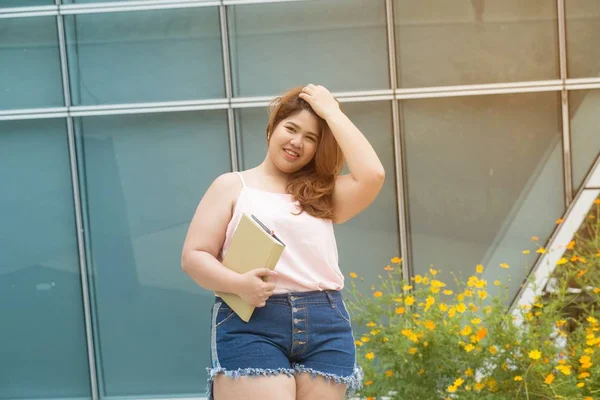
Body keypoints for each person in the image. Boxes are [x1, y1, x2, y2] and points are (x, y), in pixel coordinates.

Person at [181, 84, 385, 400]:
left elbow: (372, 174)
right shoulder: (232, 186)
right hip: (252, 319)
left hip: (326, 324)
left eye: (311, 138)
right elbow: (194, 257)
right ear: (272, 128)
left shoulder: (322, 193)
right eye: (290, 128)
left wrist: (332, 112)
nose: (296, 142)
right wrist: (238, 283)